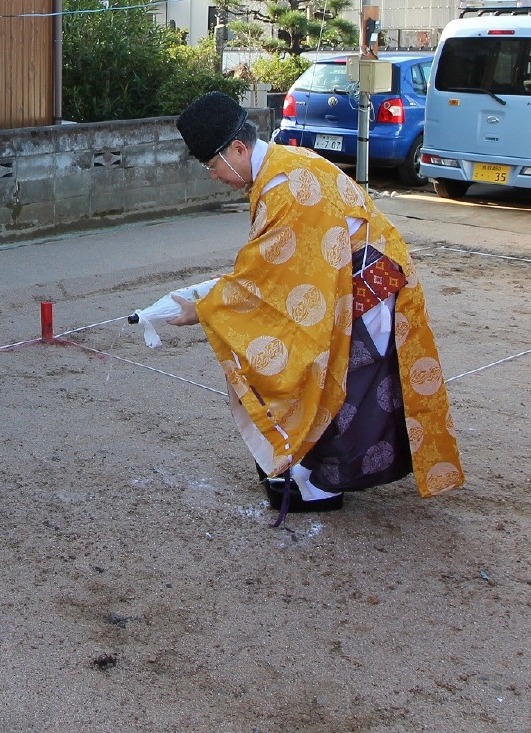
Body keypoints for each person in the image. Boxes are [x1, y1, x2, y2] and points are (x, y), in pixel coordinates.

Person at [171, 91, 464, 515]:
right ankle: (309, 472)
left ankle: (323, 484)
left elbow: (264, 278)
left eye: (212, 166)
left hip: (366, 290)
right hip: (351, 280)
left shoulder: (287, 186)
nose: (213, 176)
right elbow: (271, 268)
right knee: (332, 379)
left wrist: (202, 308)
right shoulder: (284, 167)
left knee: (340, 386)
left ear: (237, 149)